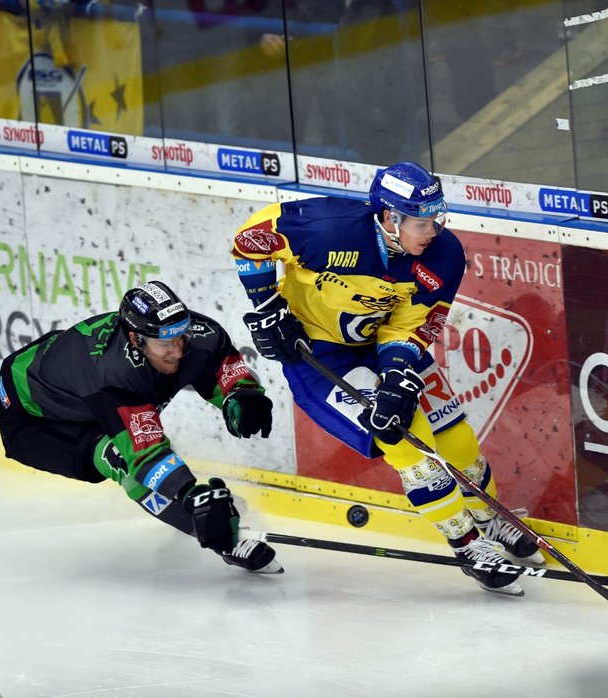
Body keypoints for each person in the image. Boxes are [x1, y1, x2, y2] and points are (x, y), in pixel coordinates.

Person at [230, 161, 543, 596]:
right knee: (405, 441)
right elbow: (250, 240)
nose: (433, 230)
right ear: (388, 217)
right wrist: (266, 306)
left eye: (438, 217)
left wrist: (398, 375)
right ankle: (468, 545)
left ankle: (491, 520)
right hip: (322, 358)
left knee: (456, 438)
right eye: (422, 221)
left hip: (380, 346)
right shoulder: (327, 230)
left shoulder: (444, 255)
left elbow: (410, 326)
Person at [0, 280, 282, 574]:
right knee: (120, 460)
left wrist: (241, 394)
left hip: (76, 386)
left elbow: (219, 366)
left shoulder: (196, 334)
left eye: (181, 338)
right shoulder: (113, 374)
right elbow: (145, 456)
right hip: (34, 418)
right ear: (135, 339)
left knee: (141, 451)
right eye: (165, 345)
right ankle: (225, 542)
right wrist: (191, 497)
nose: (177, 352)